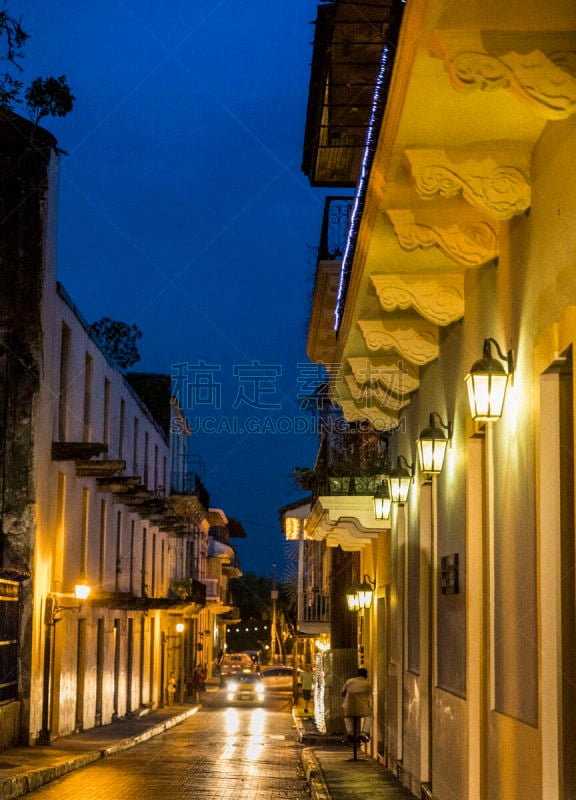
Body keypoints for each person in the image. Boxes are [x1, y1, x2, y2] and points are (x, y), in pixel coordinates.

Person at [341, 667, 372, 742]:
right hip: (362, 709)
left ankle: (350, 733)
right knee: (370, 716)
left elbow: (342, 692)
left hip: (350, 708)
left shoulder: (349, 681)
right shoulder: (367, 684)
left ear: (357, 674)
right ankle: (363, 733)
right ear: (366, 676)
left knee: (347, 716)